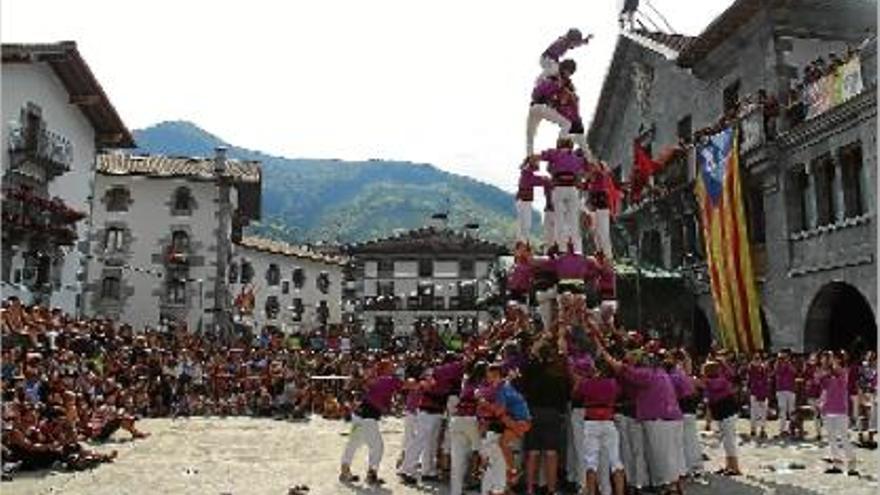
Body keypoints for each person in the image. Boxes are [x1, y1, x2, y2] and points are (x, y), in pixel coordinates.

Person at [340, 360, 403, 485]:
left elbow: (348, 388)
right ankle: (371, 474)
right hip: (368, 417)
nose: (394, 367)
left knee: (353, 443)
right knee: (377, 446)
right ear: (385, 369)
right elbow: (407, 385)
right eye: (391, 366)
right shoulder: (387, 379)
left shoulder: (376, 380)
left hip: (358, 415)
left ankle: (345, 471)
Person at [519, 341, 571, 495]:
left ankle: (530, 488)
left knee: (533, 452)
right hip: (552, 414)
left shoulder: (532, 369)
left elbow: (523, 386)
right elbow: (565, 394)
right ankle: (551, 489)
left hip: (533, 412)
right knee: (551, 453)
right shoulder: (558, 371)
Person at [578, 357, 625, 495]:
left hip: (591, 422)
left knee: (591, 462)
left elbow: (577, 393)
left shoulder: (587, 383)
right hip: (608, 421)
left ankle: (591, 492)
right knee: (615, 460)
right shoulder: (613, 384)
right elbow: (618, 394)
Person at [815, 351, 858, 475]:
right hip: (828, 409)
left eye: (833, 358)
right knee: (831, 438)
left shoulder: (843, 372)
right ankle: (837, 464)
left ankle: (852, 465)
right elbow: (821, 385)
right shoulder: (827, 374)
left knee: (844, 438)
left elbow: (836, 373)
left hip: (840, 410)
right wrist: (821, 403)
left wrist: (828, 368)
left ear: (839, 360)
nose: (830, 360)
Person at [449, 361, 486, 495]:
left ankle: (456, 491)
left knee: (457, 459)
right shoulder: (481, 385)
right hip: (472, 420)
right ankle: (480, 484)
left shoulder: (467, 383)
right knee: (483, 452)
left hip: (457, 420)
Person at [701, 360, 741, 476]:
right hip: (723, 413)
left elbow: (711, 390)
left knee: (729, 441)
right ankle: (729, 466)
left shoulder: (716, 382)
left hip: (726, 412)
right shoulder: (718, 380)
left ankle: (735, 467)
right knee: (726, 441)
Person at [516, 157, 550, 243]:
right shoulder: (527, 173)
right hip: (524, 201)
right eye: (537, 163)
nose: (538, 164)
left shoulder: (526, 173)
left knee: (524, 224)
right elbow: (536, 180)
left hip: (523, 201)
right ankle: (523, 243)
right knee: (525, 224)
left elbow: (536, 179)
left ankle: (523, 242)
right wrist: (545, 179)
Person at [748, 353, 771, 440]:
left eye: (758, 359)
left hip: (763, 393)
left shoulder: (764, 369)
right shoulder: (751, 368)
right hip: (754, 393)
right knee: (754, 412)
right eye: (755, 359)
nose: (757, 361)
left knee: (763, 413)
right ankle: (753, 429)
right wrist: (754, 366)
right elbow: (751, 377)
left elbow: (767, 380)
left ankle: (762, 429)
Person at [774, 349, 797, 437]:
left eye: (785, 356)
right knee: (782, 409)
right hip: (780, 390)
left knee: (791, 410)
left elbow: (794, 372)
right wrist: (780, 362)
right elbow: (777, 372)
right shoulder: (777, 364)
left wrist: (788, 363)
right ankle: (782, 429)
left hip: (791, 390)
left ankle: (792, 429)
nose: (783, 358)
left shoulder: (792, 363)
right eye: (781, 356)